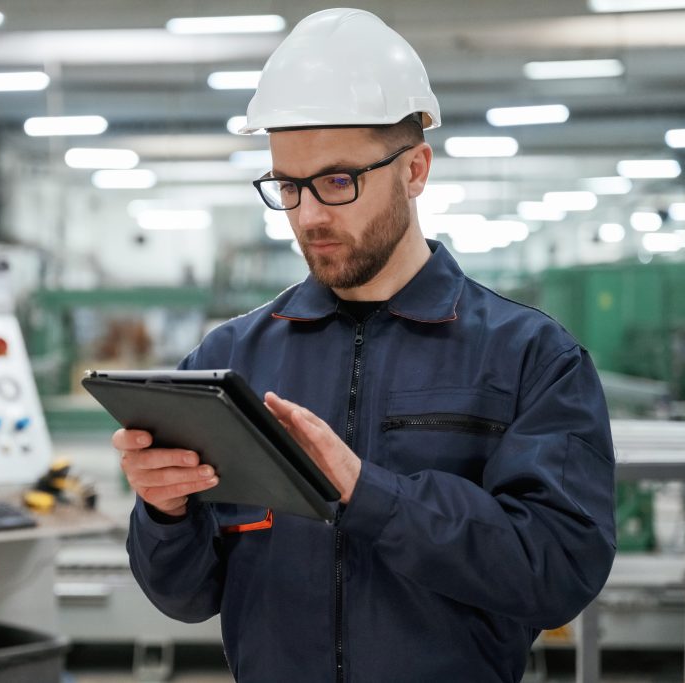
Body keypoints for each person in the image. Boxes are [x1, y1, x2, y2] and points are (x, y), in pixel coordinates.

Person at [112, 8, 616, 682]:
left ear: (415, 169)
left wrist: (370, 494)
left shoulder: (528, 356)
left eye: (338, 181)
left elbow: (558, 569)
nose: (310, 214)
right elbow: (186, 596)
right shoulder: (229, 358)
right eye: (287, 186)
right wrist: (164, 511)